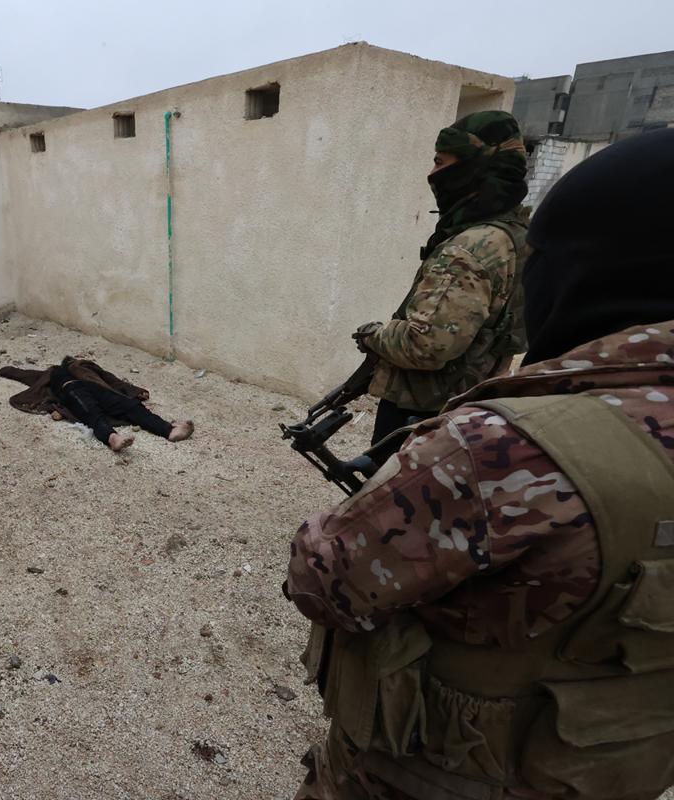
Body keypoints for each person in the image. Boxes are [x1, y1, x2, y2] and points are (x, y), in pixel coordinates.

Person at [285, 128, 674, 800]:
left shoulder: (501, 451)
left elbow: (324, 583)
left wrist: (374, 337)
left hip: (446, 769)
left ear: (584, 270)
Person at [353, 111, 529, 444]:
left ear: (472, 168)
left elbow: (425, 346)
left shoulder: (469, 248)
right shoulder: (515, 235)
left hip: (422, 414)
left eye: (440, 162)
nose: (433, 174)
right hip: (471, 407)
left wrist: (372, 335)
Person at [0, 356, 193, 451]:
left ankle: (169, 430)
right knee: (91, 413)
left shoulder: (87, 367)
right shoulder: (53, 372)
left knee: (130, 406)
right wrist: (7, 370)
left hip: (97, 388)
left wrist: (134, 391)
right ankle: (112, 438)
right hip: (71, 390)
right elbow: (26, 374)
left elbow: (112, 379)